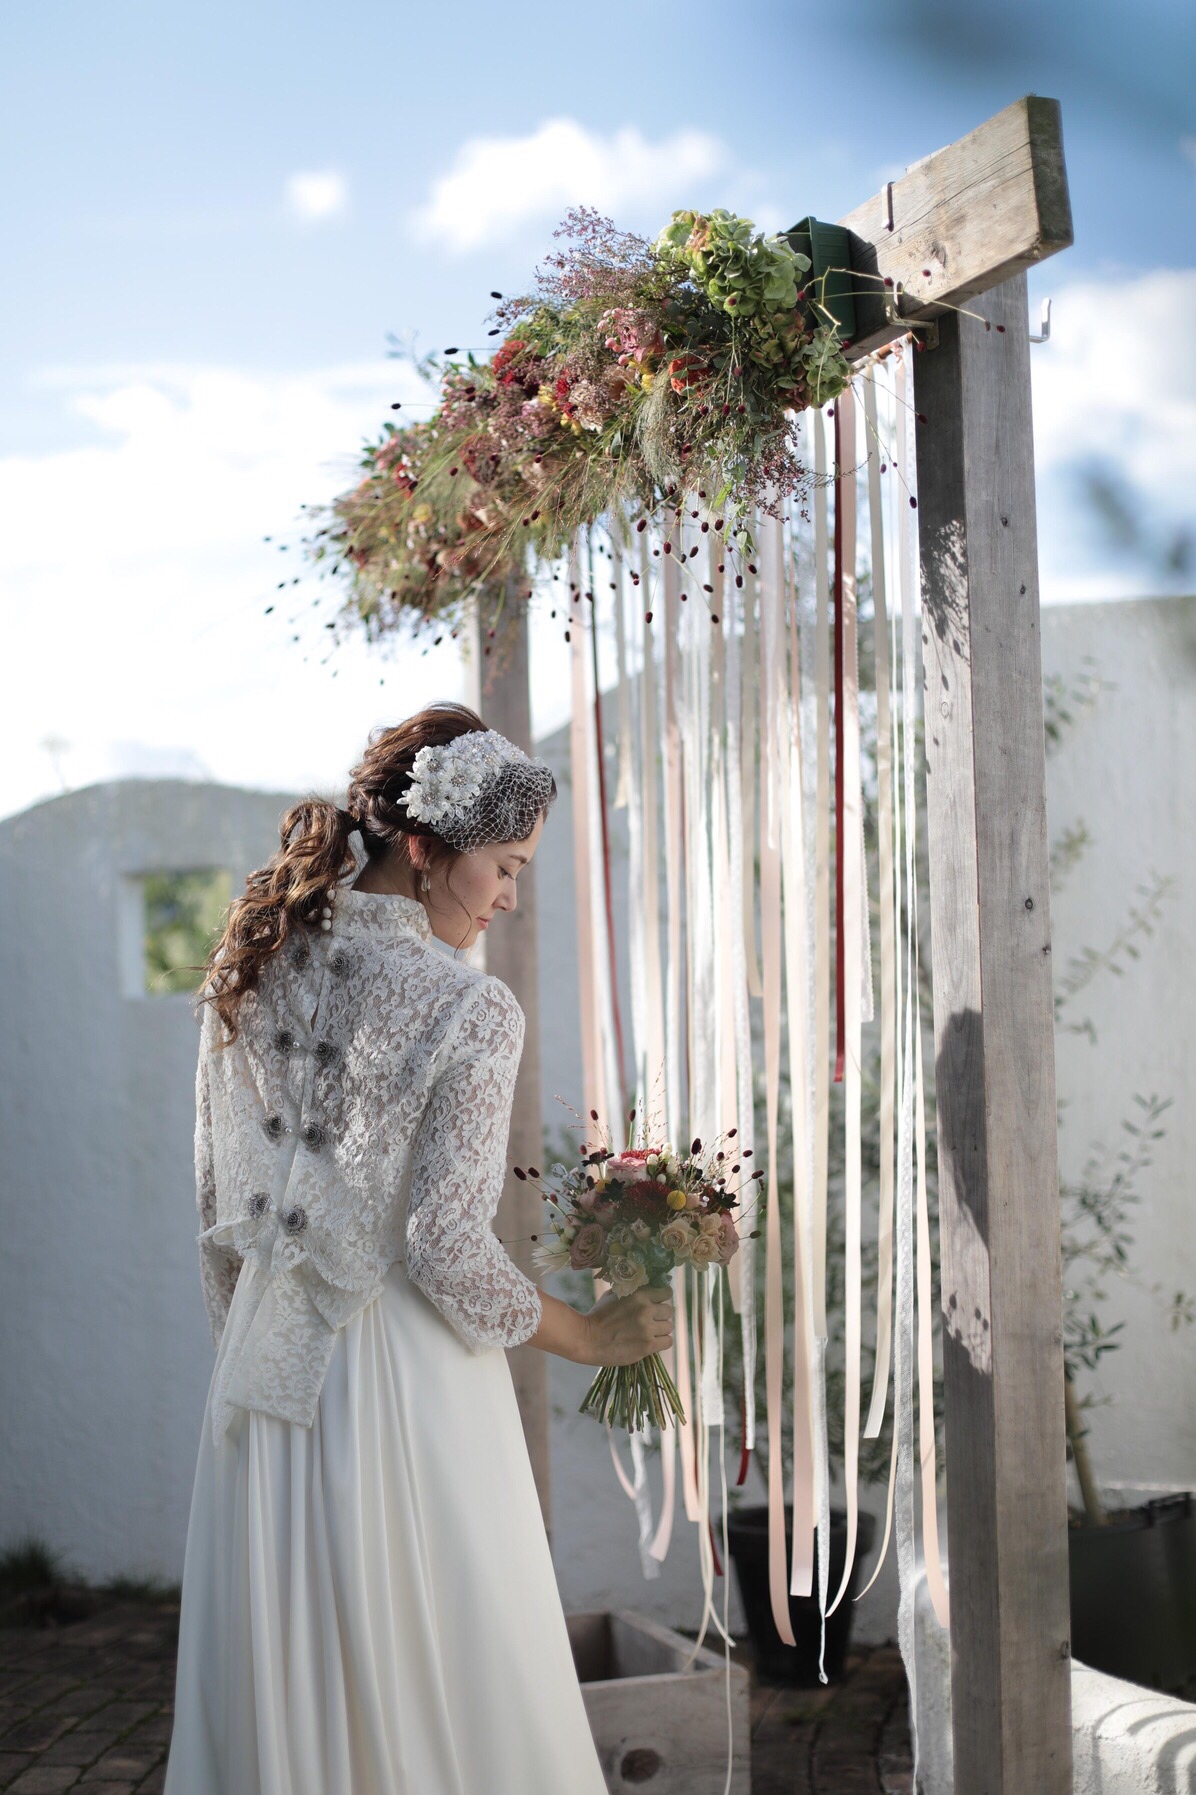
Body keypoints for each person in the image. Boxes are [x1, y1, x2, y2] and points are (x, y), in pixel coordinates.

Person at [163, 702, 673, 1795]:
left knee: (279, 1679)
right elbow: (444, 1247)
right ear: (425, 845)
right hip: (406, 1385)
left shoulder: (250, 964)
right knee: (448, 1668)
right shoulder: (468, 1007)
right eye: (503, 865)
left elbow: (214, 1206)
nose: (508, 895)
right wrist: (590, 1334)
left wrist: (244, 1364)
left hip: (260, 1377)